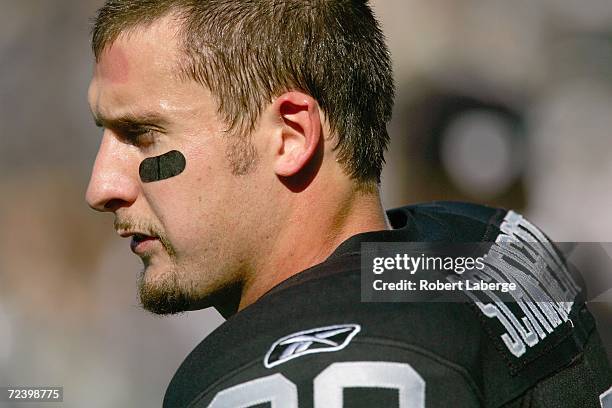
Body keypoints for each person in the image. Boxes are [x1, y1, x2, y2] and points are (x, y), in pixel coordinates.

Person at [85, 1, 611, 407]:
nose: (101, 186)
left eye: (143, 136)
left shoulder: (292, 376)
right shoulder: (487, 243)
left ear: (290, 136)